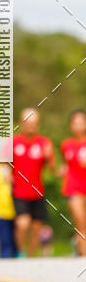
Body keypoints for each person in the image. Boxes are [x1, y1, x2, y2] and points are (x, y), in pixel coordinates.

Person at [11, 108, 55, 257]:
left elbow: (52, 169)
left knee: (37, 227)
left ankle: (30, 257)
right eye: (27, 123)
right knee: (23, 223)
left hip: (37, 191)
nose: (30, 126)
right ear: (21, 123)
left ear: (38, 124)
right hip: (19, 191)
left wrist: (49, 157)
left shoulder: (44, 143)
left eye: (33, 123)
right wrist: (5, 174)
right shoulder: (13, 142)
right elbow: (4, 165)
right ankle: (20, 253)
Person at [59, 109, 86, 257]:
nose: (78, 126)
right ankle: (83, 259)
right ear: (71, 125)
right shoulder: (66, 144)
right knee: (81, 224)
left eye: (81, 122)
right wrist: (62, 170)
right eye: (75, 123)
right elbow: (66, 164)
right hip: (73, 188)